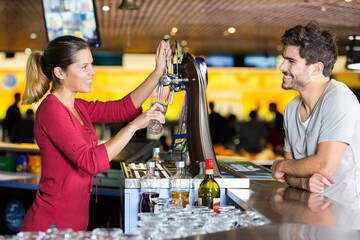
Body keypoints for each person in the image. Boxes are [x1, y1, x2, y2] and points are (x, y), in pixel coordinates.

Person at [20, 35, 172, 231]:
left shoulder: (77, 106)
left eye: (91, 65)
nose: (92, 72)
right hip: (53, 223)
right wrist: (134, 126)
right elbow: (89, 161)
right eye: (84, 67)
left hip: (73, 221)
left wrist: (159, 71)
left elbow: (122, 109)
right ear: (60, 72)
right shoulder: (51, 110)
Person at [271, 21, 360, 195]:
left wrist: (280, 165)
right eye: (284, 59)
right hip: (309, 209)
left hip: (347, 214)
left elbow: (323, 165)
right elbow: (288, 175)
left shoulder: (339, 98)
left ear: (316, 69)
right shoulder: (291, 109)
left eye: (291, 61)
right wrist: (304, 182)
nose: (282, 67)